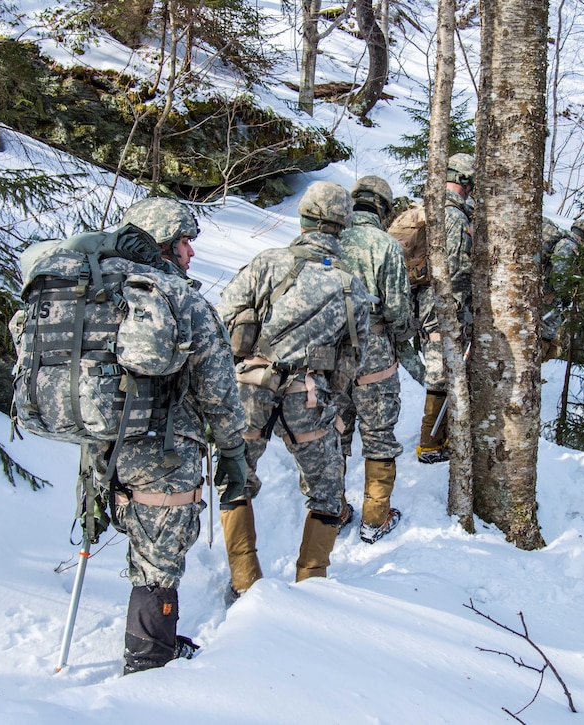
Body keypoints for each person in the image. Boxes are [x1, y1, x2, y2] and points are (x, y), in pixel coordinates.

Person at [84, 196, 250, 674]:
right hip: (164, 450)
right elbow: (217, 389)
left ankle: (151, 641)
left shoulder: (97, 288)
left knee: (144, 550)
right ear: (162, 244)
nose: (191, 253)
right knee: (159, 562)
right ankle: (148, 663)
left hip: (103, 445)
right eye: (183, 242)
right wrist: (233, 452)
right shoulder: (179, 298)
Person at [217, 181, 370, 585]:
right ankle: (311, 577)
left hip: (251, 387)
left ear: (303, 219)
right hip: (309, 395)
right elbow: (354, 356)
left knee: (236, 476)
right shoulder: (351, 286)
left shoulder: (266, 263)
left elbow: (224, 315)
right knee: (326, 487)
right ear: (343, 227)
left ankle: (244, 577)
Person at [338, 175, 412, 543]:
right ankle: (375, 517)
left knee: (333, 430)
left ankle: (331, 510)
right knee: (379, 434)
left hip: (330, 352)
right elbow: (398, 309)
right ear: (383, 208)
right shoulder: (387, 246)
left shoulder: (330, 238)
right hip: (374, 352)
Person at [416, 152, 474, 464]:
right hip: (442, 309)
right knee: (440, 376)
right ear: (466, 180)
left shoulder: (431, 209)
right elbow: (455, 270)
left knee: (440, 373)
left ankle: (437, 437)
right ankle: (430, 443)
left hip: (427, 306)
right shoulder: (455, 217)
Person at [539, 218, 584, 361]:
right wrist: (564, 294)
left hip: (547, 293)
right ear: (583, 238)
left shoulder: (563, 240)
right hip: (549, 296)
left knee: (547, 334)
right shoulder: (569, 245)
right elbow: (559, 272)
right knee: (545, 334)